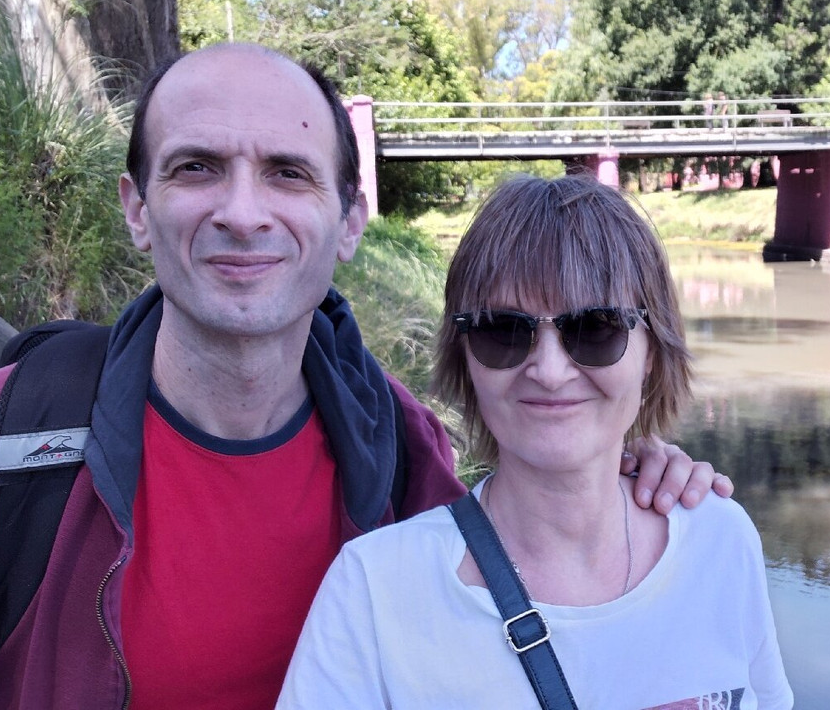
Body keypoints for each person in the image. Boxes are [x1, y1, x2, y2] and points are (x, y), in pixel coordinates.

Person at [0, 43, 732, 710]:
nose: (244, 213)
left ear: (350, 220)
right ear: (136, 207)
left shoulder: (402, 448)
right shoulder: (22, 430)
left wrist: (619, 471)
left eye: (288, 172)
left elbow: (525, 582)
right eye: (197, 167)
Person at [277, 174, 793, 709]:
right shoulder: (374, 590)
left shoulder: (721, 538)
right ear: (465, 359)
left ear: (653, 354)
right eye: (503, 330)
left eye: (596, 328)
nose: (548, 370)